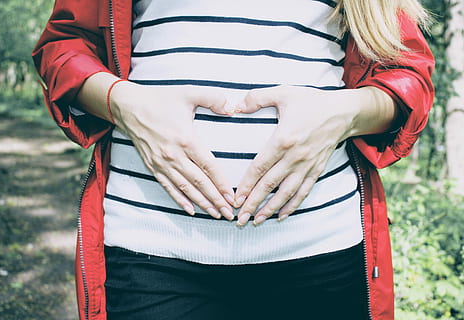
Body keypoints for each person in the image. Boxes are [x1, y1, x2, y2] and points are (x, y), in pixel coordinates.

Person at [32, 0, 434, 319]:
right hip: (151, 252)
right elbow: (64, 46)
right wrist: (121, 102)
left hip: (324, 252)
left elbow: (408, 77)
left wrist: (345, 112)